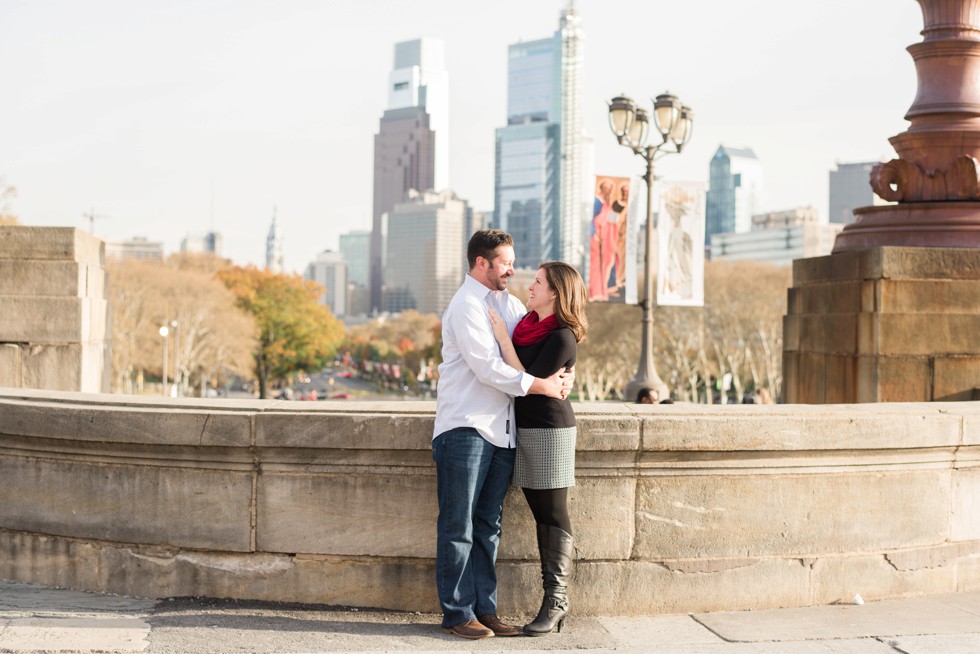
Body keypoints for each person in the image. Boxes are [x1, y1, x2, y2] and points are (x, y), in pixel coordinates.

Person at [432, 229, 573, 641]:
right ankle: (458, 613)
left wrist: (565, 368)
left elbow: (534, 351)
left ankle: (485, 610)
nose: (514, 269)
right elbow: (489, 369)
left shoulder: (510, 305)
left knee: (488, 526)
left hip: (504, 433)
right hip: (466, 427)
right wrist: (544, 386)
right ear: (482, 263)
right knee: (458, 525)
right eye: (506, 262)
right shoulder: (465, 307)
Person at [488, 261, 589, 636]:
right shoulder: (527, 327)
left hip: (550, 429)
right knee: (539, 515)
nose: (530, 286)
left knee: (552, 514)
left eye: (538, 282)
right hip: (524, 428)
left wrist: (501, 339)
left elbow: (524, 380)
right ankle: (555, 601)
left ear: (556, 293)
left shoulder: (562, 336)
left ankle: (557, 602)